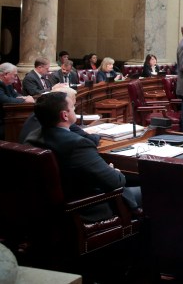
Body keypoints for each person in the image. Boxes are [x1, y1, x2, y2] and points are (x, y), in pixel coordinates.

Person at [27, 92, 141, 221]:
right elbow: (116, 182)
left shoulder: (31, 137)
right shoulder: (77, 144)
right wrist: (115, 172)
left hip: (49, 209)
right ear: (65, 115)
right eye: (73, 108)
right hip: (86, 207)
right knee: (154, 189)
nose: (75, 110)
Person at [21, 84, 99, 145]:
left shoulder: (38, 114)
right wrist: (98, 135)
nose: (74, 108)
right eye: (72, 106)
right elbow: (90, 140)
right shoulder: (59, 120)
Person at [0, 63, 34, 139]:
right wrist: (24, 101)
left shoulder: (7, 83)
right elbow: (5, 100)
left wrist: (24, 97)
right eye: (14, 75)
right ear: (6, 74)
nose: (16, 78)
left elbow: (15, 95)